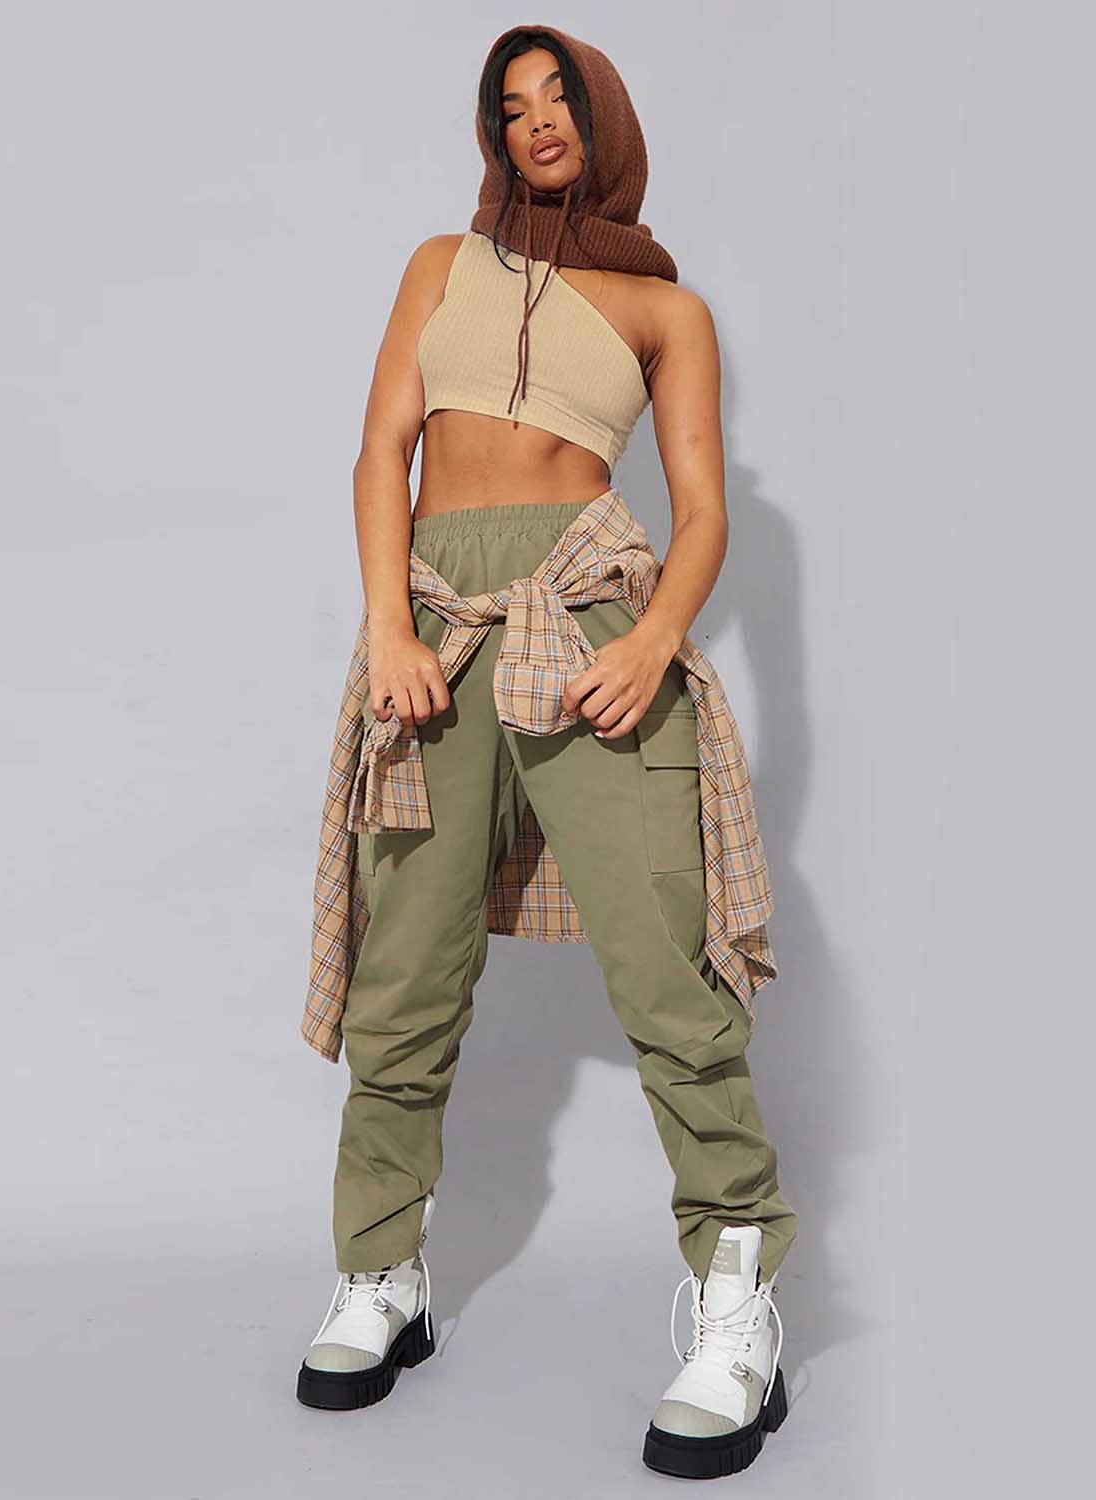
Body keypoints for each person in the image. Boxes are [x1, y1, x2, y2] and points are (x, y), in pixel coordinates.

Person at [293, 24, 799, 1479]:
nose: (536, 123)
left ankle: (738, 1308)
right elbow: (381, 451)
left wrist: (653, 642)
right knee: (404, 974)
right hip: (436, 633)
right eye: (510, 108)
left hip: (589, 626)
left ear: (603, 116)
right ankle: (382, 1273)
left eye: (557, 96)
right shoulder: (438, 267)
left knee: (670, 974)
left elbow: (701, 510)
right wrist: (387, 627)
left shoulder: (668, 310)